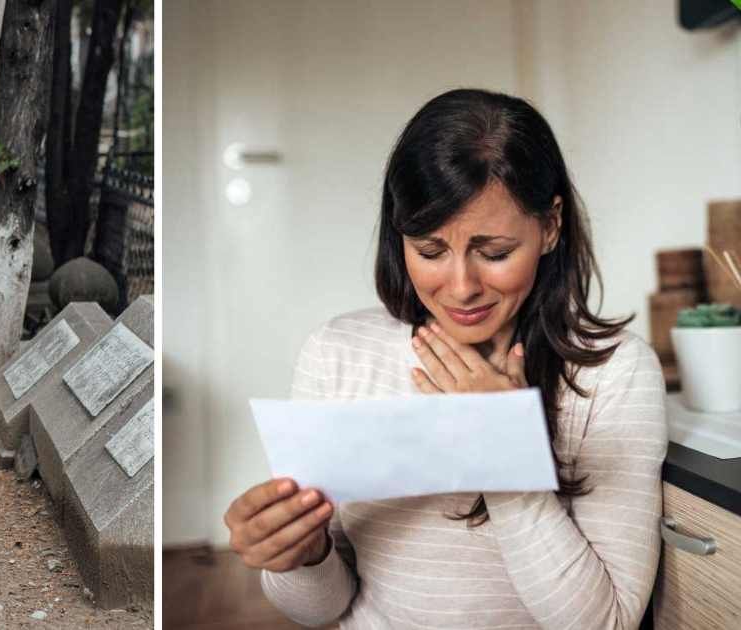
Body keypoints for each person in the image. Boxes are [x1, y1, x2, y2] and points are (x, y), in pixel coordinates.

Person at [223, 89, 665, 629]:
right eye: (431, 251)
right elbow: (321, 609)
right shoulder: (337, 352)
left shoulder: (614, 373)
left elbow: (609, 623)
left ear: (550, 227)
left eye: (495, 253)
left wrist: (505, 458)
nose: (461, 287)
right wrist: (303, 554)